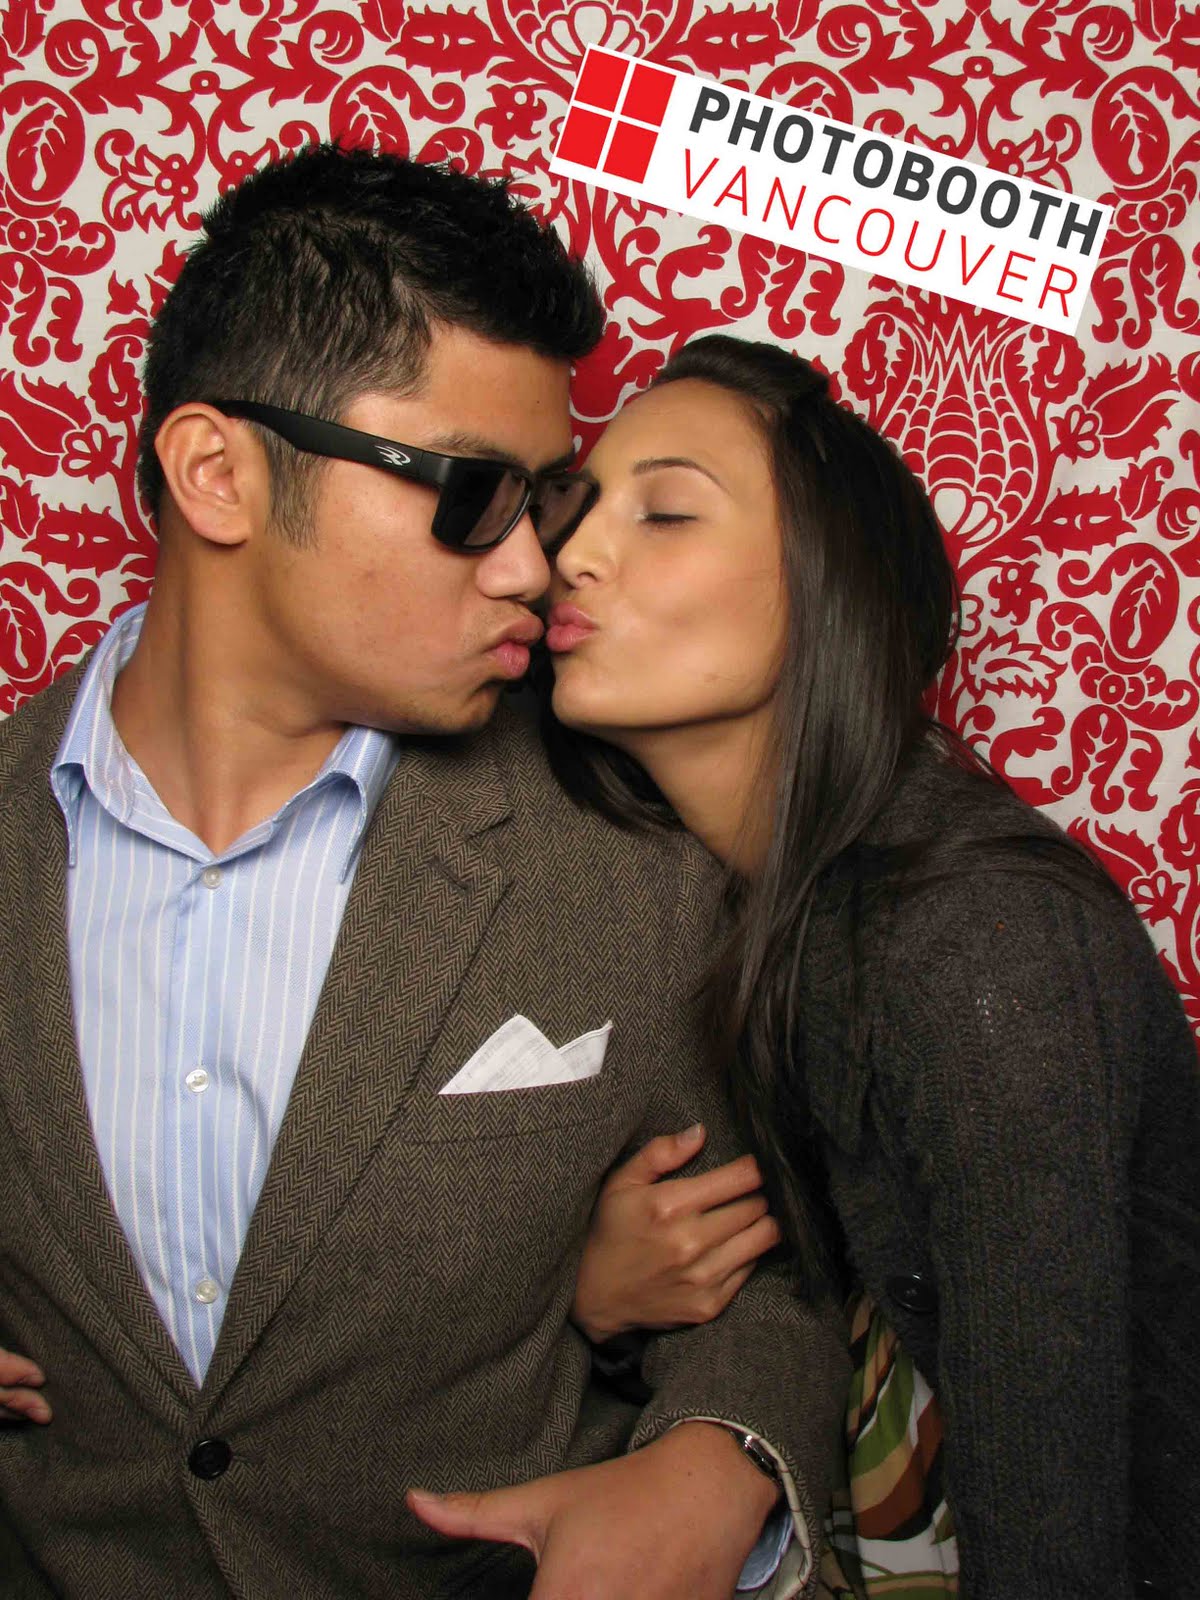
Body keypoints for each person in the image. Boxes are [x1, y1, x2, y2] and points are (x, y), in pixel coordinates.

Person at [0, 151, 851, 1597]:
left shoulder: (627, 857)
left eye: (544, 500)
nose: (533, 566)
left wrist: (717, 1470)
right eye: (471, 494)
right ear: (217, 473)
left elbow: (774, 1269)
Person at [542, 334, 1200, 1599]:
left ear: (825, 589)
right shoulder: (703, 903)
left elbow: (1054, 1536)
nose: (570, 552)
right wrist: (600, 1296)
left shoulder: (979, 948)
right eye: (577, 502)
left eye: (665, 511)